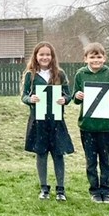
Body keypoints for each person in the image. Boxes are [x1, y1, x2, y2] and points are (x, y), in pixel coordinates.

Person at [21, 42, 74, 201]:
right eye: (41, 54)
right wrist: (31, 99)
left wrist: (64, 100)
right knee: (41, 153)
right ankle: (44, 188)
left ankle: (60, 189)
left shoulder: (60, 74)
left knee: (58, 154)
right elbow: (24, 96)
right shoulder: (30, 75)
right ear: (36, 56)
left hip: (56, 120)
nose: (45, 57)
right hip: (38, 120)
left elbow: (68, 95)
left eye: (48, 55)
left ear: (52, 57)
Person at [72, 42, 109, 204]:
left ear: (104, 58)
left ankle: (106, 191)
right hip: (87, 126)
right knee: (91, 161)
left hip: (106, 126)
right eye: (92, 57)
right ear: (85, 59)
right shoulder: (80, 75)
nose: (96, 60)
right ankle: (94, 191)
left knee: (105, 161)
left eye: (99, 57)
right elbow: (75, 98)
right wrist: (77, 96)